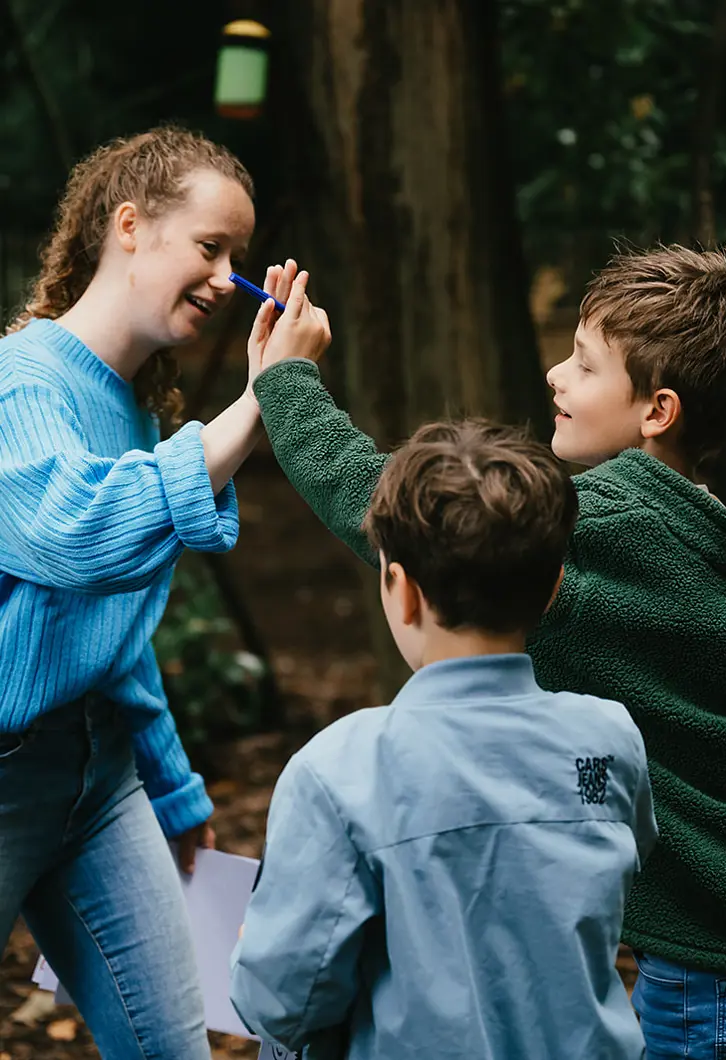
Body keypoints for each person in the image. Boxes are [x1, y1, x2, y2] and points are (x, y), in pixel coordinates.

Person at [248, 244, 726, 1058]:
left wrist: (287, 383)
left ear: (657, 411)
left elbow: (391, 511)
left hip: (706, 976)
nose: (555, 374)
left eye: (584, 366)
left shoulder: (610, 525)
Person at [0, 126, 326, 1060]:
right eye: (211, 246)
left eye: (239, 256)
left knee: (171, 1047)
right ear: (129, 227)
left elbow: (112, 635)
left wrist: (174, 789)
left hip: (102, 785)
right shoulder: (22, 384)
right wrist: (269, 395)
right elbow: (76, 538)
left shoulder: (140, 405)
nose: (230, 277)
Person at [230, 419, 656, 1059]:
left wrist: (249, 946)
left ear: (401, 591)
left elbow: (282, 1003)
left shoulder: (341, 770)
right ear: (552, 590)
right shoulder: (609, 737)